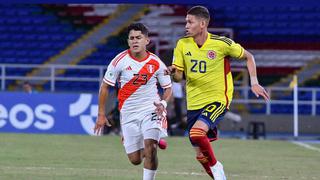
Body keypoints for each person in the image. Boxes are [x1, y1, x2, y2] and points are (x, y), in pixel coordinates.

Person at [167, 6, 270, 180]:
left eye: (189, 22)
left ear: (202, 24)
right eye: (186, 21)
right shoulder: (182, 44)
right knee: (200, 153)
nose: (186, 25)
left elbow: (249, 57)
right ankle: (218, 176)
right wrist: (172, 72)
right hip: (193, 102)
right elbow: (178, 78)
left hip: (218, 99)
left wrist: (254, 82)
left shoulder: (222, 44)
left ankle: (216, 166)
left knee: (197, 134)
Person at [94, 23, 172, 180]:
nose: (135, 41)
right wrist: (101, 114)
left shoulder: (156, 63)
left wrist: (163, 104)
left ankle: (153, 143)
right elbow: (104, 87)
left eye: (138, 38)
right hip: (128, 113)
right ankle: (152, 142)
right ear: (128, 41)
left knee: (151, 149)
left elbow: (168, 88)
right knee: (135, 160)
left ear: (147, 40)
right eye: (131, 38)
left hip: (151, 110)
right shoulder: (119, 61)